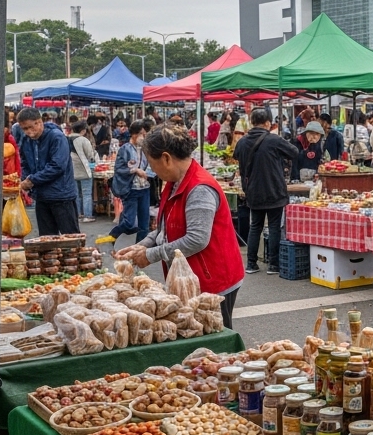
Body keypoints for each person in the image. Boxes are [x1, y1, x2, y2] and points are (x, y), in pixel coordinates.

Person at [116, 126, 245, 328]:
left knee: (215, 344)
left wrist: (150, 255)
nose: (152, 171)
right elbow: (164, 228)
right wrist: (143, 246)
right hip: (190, 278)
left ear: (166, 158)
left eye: (152, 164)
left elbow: (197, 239)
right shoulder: (174, 181)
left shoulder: (199, 188)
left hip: (214, 279)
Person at [234, 108, 300, 275]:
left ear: (251, 122)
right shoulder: (274, 139)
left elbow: (237, 157)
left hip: (253, 191)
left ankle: (251, 263)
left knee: (255, 226)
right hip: (274, 189)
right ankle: (273, 265)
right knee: (274, 226)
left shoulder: (242, 142)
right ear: (267, 123)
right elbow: (294, 152)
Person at [15, 107, 80, 235]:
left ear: (39, 122)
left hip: (61, 195)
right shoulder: (27, 140)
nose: (28, 131)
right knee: (46, 239)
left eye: (30, 127)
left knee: (71, 239)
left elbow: (57, 166)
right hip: (41, 196)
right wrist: (25, 178)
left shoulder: (56, 137)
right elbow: (24, 162)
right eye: (24, 129)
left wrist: (32, 180)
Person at [97, 119, 153, 249]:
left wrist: (150, 173)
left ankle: (139, 250)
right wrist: (134, 170)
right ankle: (112, 235)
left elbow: (150, 165)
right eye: (142, 134)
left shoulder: (145, 149)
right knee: (129, 222)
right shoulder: (125, 149)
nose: (144, 137)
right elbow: (119, 169)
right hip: (131, 189)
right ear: (134, 134)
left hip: (144, 188)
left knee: (144, 225)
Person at [69, 120, 99, 223]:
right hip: (83, 169)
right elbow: (90, 156)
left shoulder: (66, 138)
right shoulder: (83, 140)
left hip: (71, 170)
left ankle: (77, 215)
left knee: (76, 194)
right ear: (83, 130)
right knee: (86, 193)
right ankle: (87, 215)